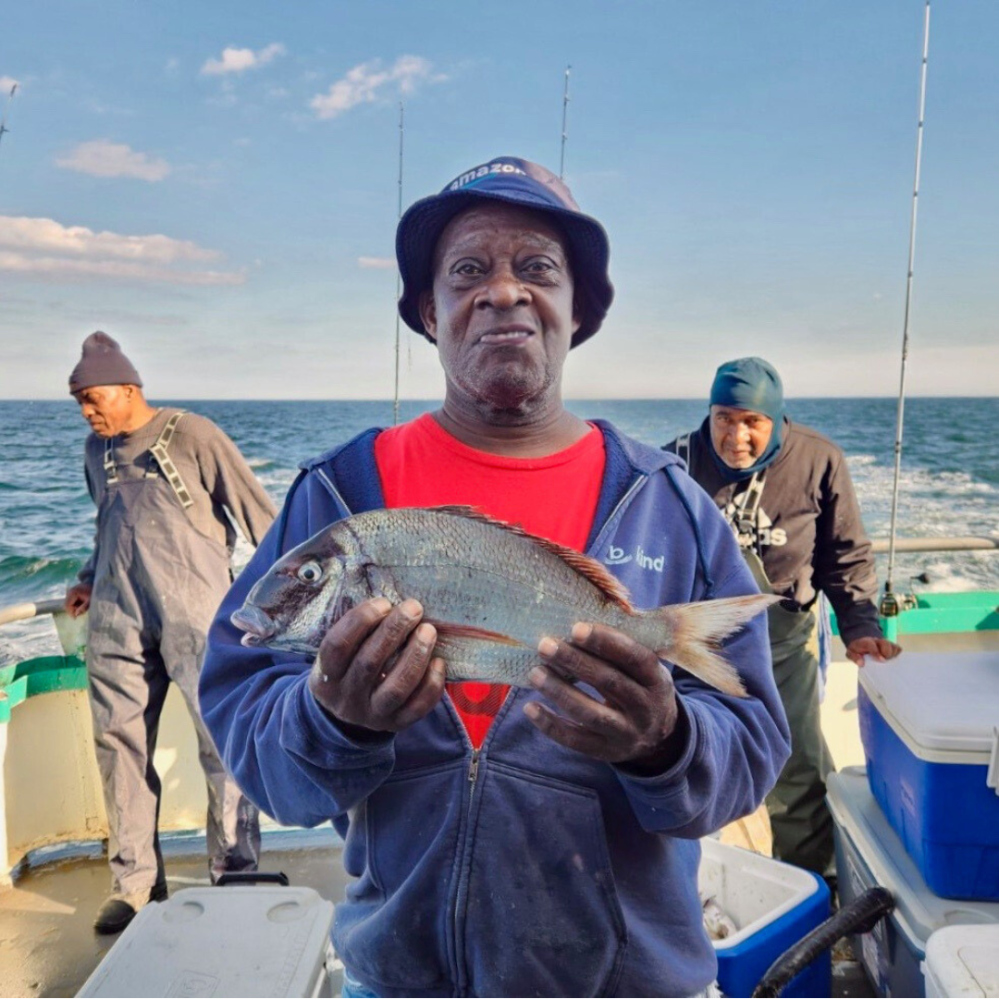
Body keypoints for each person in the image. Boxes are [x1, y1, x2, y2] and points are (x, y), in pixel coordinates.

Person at [200, 158, 791, 998]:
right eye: (469, 270)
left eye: (538, 269)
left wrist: (664, 741)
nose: (504, 291)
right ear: (426, 310)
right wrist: (330, 719)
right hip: (401, 976)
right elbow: (253, 737)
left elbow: (753, 746)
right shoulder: (338, 496)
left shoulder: (667, 503)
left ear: (577, 308)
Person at [64, 331, 278, 934]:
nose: (87, 411)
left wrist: (287, 604)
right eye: (80, 402)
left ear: (129, 389)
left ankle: (235, 870)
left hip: (201, 618)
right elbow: (107, 523)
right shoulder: (94, 450)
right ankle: (134, 883)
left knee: (223, 745)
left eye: (93, 398)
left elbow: (265, 522)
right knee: (118, 744)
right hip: (115, 618)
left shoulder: (194, 435)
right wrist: (86, 577)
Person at [665, 357, 901, 878]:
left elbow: (845, 556)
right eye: (724, 417)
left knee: (797, 770)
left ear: (775, 419)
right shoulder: (676, 462)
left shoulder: (819, 460)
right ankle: (690, 891)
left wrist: (860, 627)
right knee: (690, 762)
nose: (736, 435)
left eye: (752, 421)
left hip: (785, 641)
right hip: (699, 646)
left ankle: (812, 887)